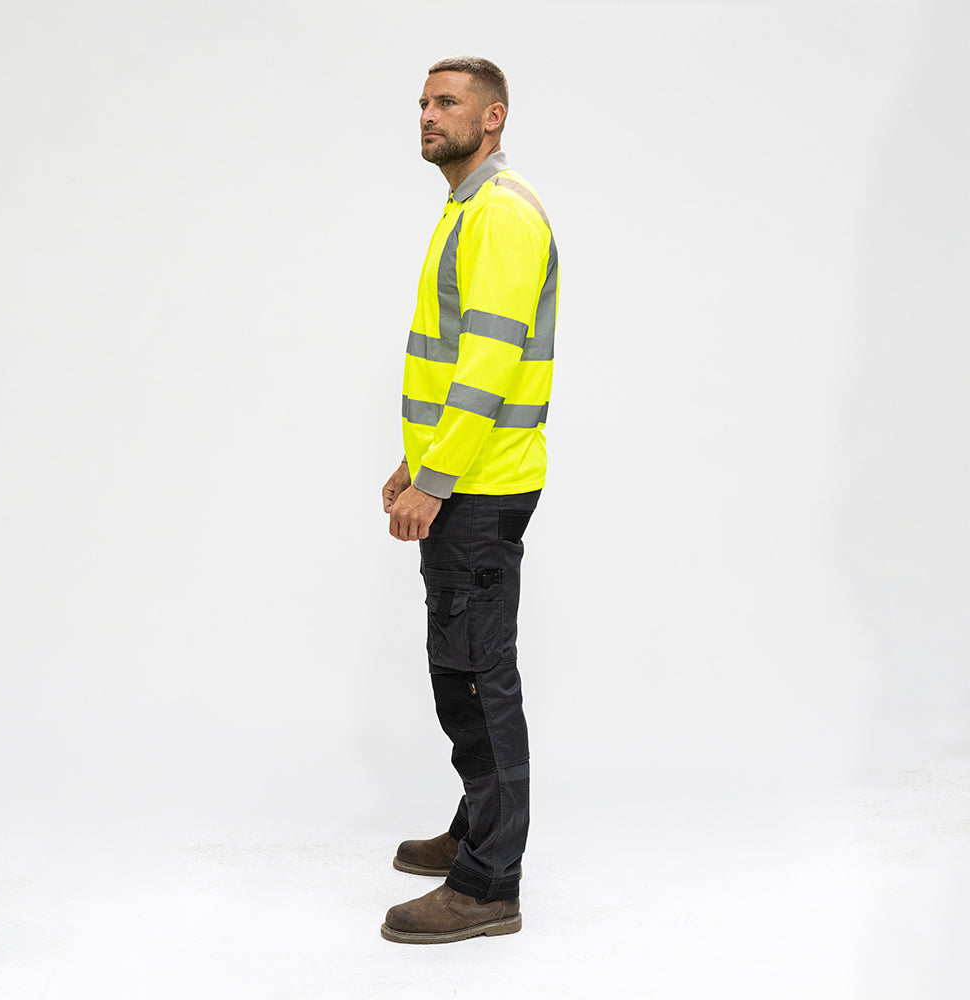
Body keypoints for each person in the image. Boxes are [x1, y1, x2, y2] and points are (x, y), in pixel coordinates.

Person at [379, 56, 558, 945]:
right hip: (462, 478)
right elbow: (455, 363)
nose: (427, 114)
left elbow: (488, 367)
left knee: (481, 678)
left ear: (493, 118)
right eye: (423, 102)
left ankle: (490, 883)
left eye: (447, 102)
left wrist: (436, 478)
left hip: (481, 490)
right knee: (461, 670)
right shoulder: (466, 209)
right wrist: (414, 463)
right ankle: (475, 828)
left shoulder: (500, 215)